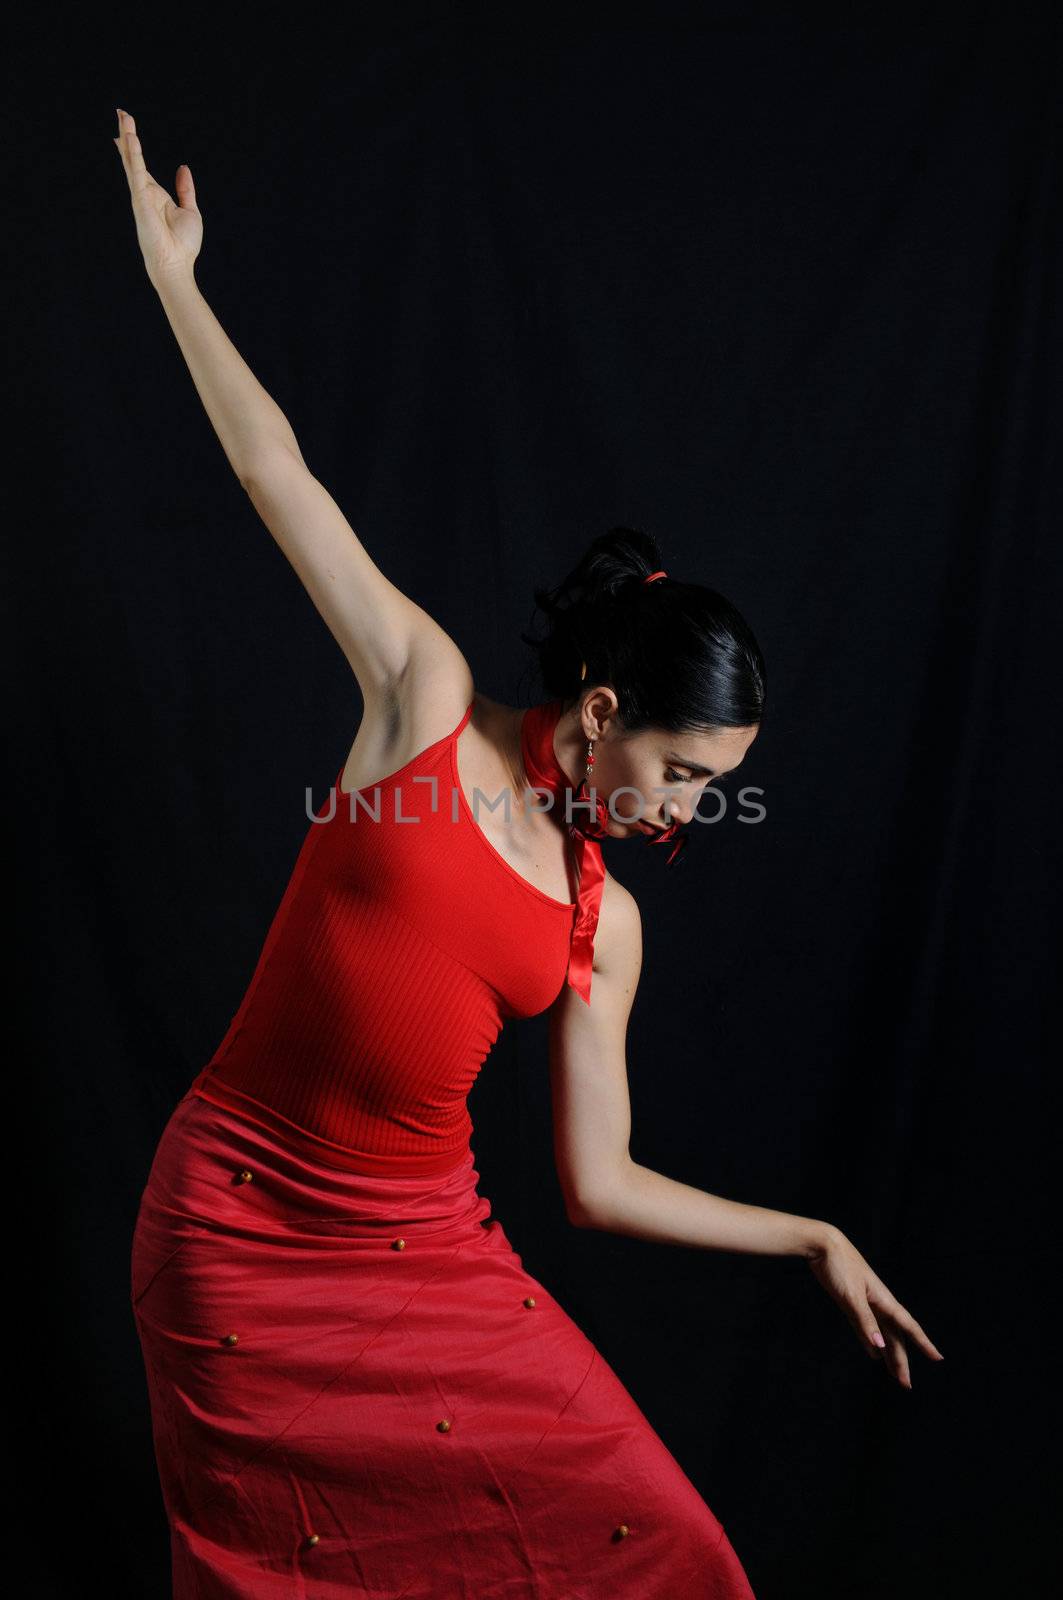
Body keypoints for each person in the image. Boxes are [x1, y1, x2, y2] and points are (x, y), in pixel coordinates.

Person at [116, 109, 944, 1598]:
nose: (691, 813)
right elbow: (274, 471)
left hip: (431, 1268)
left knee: (673, 1555)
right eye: (683, 775)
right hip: (238, 1236)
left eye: (713, 790)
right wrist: (178, 282)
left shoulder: (599, 922)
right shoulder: (420, 706)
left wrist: (808, 1234)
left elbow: (597, 1182)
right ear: (604, 710)